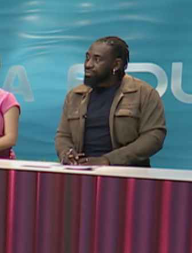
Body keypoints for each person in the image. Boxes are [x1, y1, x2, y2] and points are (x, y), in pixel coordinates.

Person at [55, 36, 166, 166]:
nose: (88, 64)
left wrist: (108, 160)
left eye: (97, 59)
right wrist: (67, 153)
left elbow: (154, 136)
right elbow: (63, 135)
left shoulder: (144, 93)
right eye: (87, 58)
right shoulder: (75, 95)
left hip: (126, 173)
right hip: (81, 171)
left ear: (116, 64)